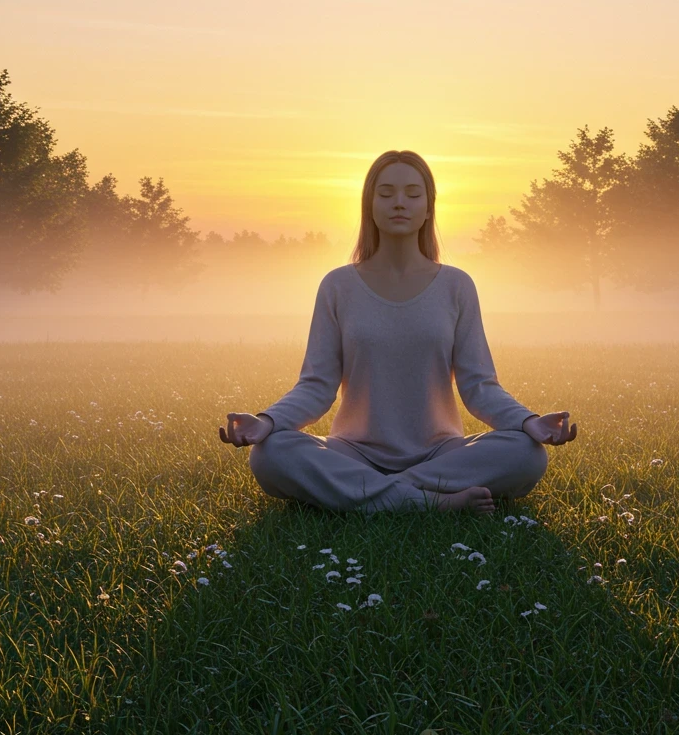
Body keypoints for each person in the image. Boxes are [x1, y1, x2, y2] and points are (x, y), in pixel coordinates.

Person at [219, 149, 577, 515]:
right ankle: (428, 503)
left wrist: (528, 422)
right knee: (271, 454)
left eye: (412, 193)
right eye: (386, 193)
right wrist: (267, 422)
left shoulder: (457, 286)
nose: (399, 203)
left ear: (428, 207)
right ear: (369, 205)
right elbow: (316, 385)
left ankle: (379, 495)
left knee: (526, 454)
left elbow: (479, 386)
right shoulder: (337, 286)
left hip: (440, 453)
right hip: (355, 452)